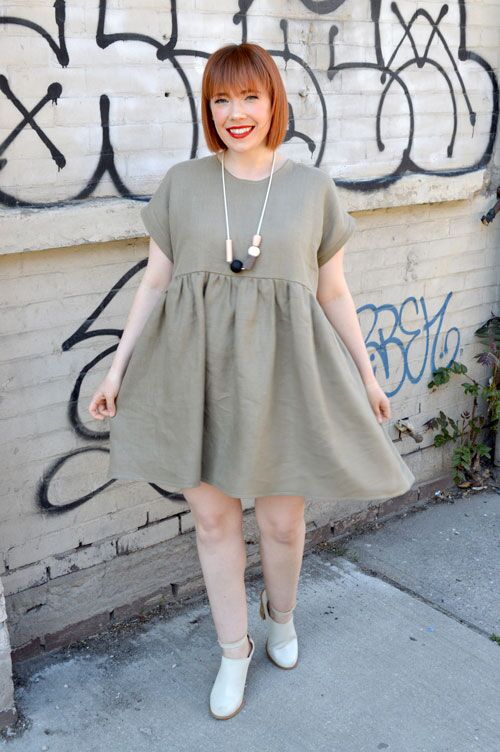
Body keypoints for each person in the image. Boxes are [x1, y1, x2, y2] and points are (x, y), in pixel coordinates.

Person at [88, 42, 415, 720]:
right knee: (213, 521)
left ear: (273, 103)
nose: (235, 113)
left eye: (249, 97)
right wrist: (116, 370)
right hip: (193, 376)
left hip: (284, 379)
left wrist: (367, 375)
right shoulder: (183, 184)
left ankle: (281, 615)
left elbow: (333, 291)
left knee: (282, 523)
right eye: (220, 99)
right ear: (208, 108)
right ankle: (232, 651)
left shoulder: (311, 189)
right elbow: (154, 283)